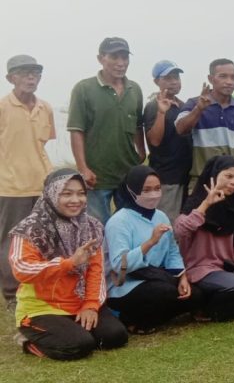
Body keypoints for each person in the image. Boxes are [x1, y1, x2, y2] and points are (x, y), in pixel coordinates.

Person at [9, 169, 128, 360]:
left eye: (81, 193)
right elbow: (22, 269)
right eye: (67, 193)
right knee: (78, 346)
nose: (76, 200)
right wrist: (70, 263)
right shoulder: (29, 229)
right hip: (42, 307)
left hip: (79, 304)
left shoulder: (91, 226)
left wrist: (90, 305)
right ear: (51, 193)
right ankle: (28, 340)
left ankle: (69, 330)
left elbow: (95, 270)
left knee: (115, 336)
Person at [174, 155, 234, 320]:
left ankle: (219, 303)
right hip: (200, 269)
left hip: (224, 269)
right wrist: (206, 204)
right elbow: (180, 231)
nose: (233, 182)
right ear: (214, 174)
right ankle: (204, 309)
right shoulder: (196, 202)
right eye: (228, 176)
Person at [104, 166, 196, 332]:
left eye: (157, 189)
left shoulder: (160, 215)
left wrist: (182, 277)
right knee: (164, 292)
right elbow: (119, 265)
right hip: (125, 284)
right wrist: (150, 242)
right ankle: (128, 318)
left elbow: (172, 252)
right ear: (131, 190)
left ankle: (144, 319)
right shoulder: (119, 221)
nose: (153, 194)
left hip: (156, 276)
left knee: (195, 294)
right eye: (146, 190)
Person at [67, 36, 145, 222]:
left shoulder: (135, 89)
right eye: (114, 57)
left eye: (124, 58)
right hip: (97, 175)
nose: (120, 63)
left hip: (127, 173)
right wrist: (83, 168)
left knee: (128, 225)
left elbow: (137, 126)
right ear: (101, 58)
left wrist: (141, 152)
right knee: (97, 227)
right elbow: (76, 129)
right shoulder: (84, 88)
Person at [0, 54, 55, 303]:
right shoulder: (2, 107)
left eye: (35, 72)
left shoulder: (45, 107)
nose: (30, 77)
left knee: (42, 238)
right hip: (10, 186)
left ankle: (41, 287)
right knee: (11, 242)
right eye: (23, 72)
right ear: (10, 78)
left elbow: (42, 146)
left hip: (42, 185)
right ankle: (12, 294)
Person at [175, 59, 234, 189]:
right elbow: (180, 129)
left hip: (232, 184)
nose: (229, 82)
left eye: (233, 77)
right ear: (211, 78)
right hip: (201, 183)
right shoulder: (193, 103)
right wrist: (199, 109)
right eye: (223, 76)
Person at [142, 59, 192, 219]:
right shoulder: (153, 106)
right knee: (166, 225)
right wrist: (161, 112)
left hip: (185, 176)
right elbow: (154, 141)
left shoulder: (184, 106)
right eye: (168, 78)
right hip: (167, 178)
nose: (174, 82)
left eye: (176, 77)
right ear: (157, 81)